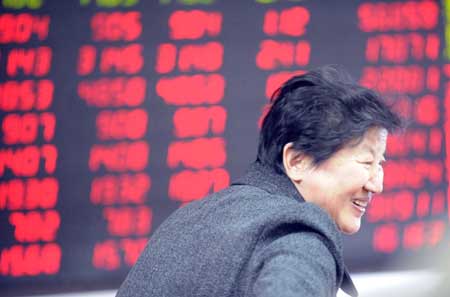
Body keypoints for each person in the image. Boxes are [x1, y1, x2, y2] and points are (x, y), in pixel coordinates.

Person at [116, 66, 402, 297]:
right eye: (366, 163)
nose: (376, 184)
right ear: (297, 161)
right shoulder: (299, 233)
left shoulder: (188, 219)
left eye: (380, 164)